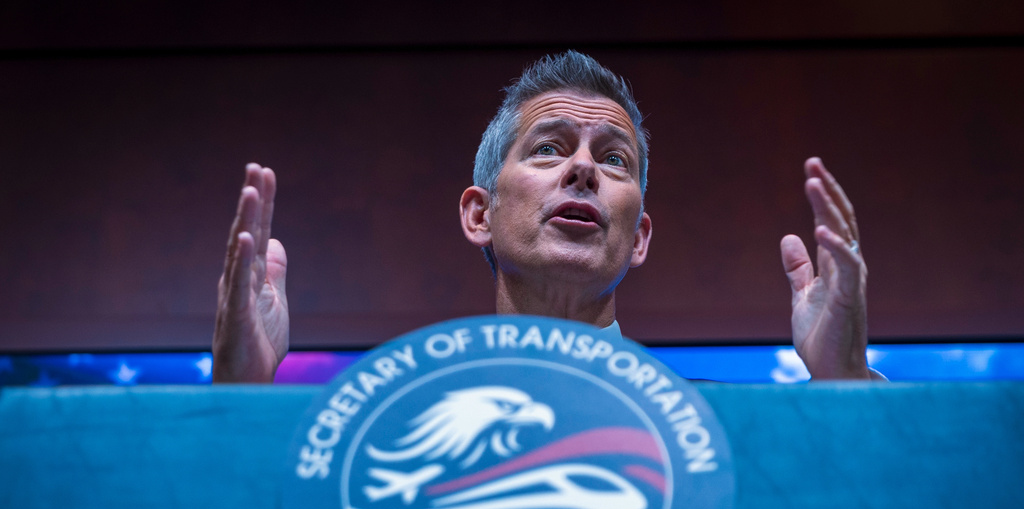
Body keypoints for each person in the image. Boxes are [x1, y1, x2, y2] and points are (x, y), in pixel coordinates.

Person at [213, 51, 877, 383]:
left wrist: (848, 391)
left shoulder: (715, 419)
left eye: (615, 161)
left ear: (639, 236)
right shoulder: (388, 406)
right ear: (480, 214)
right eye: (550, 148)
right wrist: (234, 394)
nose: (584, 169)